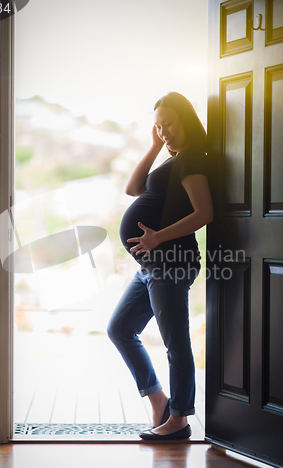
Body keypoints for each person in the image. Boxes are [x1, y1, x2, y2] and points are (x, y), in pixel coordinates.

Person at [107, 92, 213, 441]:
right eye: (158, 125)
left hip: (171, 262)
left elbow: (204, 213)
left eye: (169, 123)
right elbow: (132, 188)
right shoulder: (174, 159)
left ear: (186, 120)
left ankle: (179, 419)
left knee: (175, 342)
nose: (164, 131)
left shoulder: (192, 159)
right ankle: (159, 401)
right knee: (120, 328)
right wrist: (154, 146)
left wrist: (157, 238)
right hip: (153, 265)